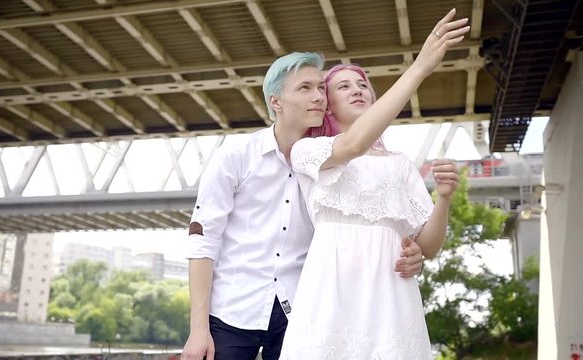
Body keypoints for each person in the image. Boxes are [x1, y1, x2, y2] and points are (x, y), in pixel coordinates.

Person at [181, 52, 425, 360]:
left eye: (321, 88)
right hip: (231, 311)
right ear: (276, 102)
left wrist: (409, 250)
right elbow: (203, 241)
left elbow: (360, 229)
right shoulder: (236, 155)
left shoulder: (334, 162)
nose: (318, 97)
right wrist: (198, 328)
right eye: (305, 88)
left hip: (299, 313)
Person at [278, 9, 467, 359]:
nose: (358, 89)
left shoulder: (399, 164)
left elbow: (427, 245)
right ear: (327, 105)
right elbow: (353, 145)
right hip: (332, 289)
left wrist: (444, 198)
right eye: (343, 86)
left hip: (391, 292)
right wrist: (420, 66)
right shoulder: (308, 151)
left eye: (363, 84)